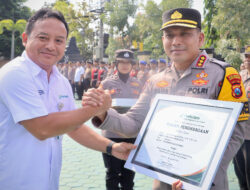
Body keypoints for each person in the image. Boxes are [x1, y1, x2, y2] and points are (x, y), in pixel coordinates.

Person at [82, 8, 249, 190]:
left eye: (184, 34)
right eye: (169, 35)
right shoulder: (156, 80)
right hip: (163, 180)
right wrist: (103, 113)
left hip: (206, 182)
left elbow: (237, 131)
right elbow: (134, 122)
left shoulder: (223, 75)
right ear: (163, 40)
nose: (176, 41)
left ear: (200, 38)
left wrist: (200, 173)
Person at [0, 8, 135, 190]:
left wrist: (111, 147)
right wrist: (95, 107)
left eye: (58, 40)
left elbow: (75, 127)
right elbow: (42, 128)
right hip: (14, 182)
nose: (50, 46)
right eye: (43, 38)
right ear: (25, 39)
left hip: (48, 182)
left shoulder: (61, 81)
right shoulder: (15, 73)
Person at [100, 49, 142, 190]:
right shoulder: (106, 84)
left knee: (129, 174)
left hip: (131, 135)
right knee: (112, 174)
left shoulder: (138, 84)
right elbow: (99, 108)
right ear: (116, 64)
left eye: (128, 62)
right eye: (121, 62)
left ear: (132, 65)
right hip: (112, 135)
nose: (125, 65)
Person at [233, 45, 250, 190]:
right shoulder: (240, 75)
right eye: (246, 56)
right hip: (238, 133)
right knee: (240, 172)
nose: (248, 59)